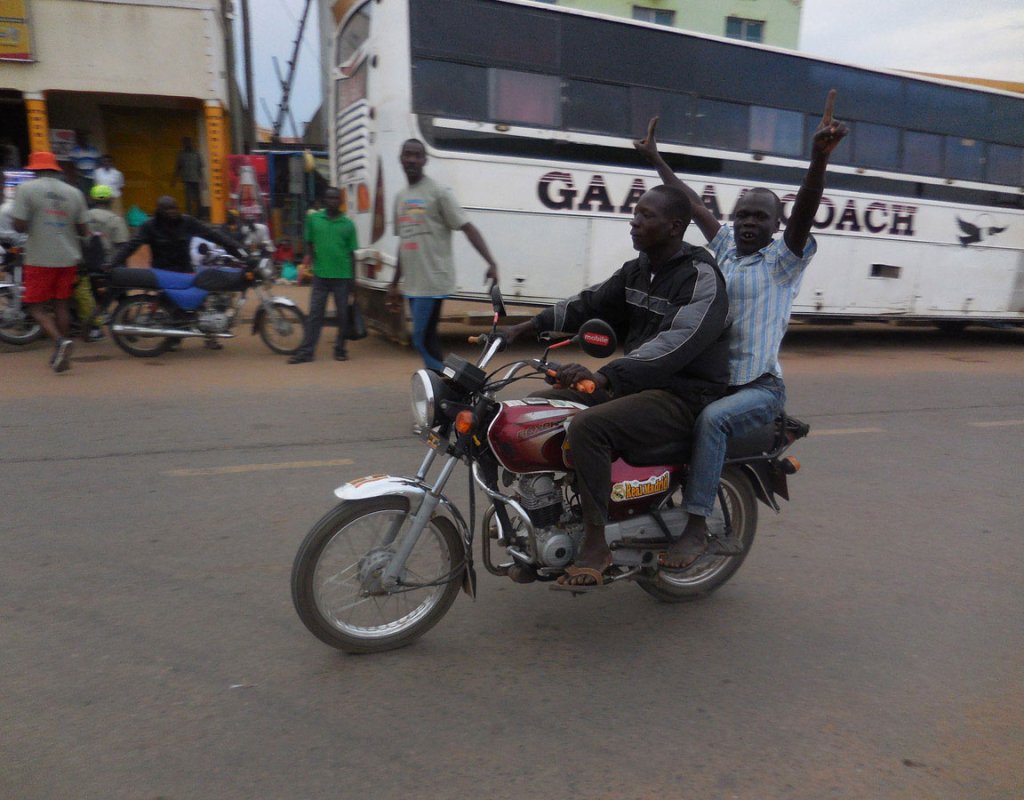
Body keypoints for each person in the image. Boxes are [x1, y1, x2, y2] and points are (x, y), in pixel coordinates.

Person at [634, 90, 848, 568]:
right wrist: (656, 160)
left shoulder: (783, 261)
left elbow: (808, 207)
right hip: (708, 380)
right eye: (743, 214)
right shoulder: (728, 245)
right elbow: (689, 202)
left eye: (760, 217)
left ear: (777, 224)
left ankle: (696, 527)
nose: (749, 222)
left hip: (758, 388)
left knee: (713, 422)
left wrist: (818, 158)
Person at [501, 184, 731, 589]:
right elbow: (588, 303)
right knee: (534, 410)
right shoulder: (638, 269)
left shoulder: (701, 277)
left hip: (682, 395)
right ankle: (544, 522)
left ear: (676, 226)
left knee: (588, 427)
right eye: (635, 213)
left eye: (646, 215)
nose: (634, 221)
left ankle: (596, 544)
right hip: (637, 384)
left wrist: (607, 375)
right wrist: (525, 326)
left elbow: (676, 343)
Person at [386, 139, 499, 371]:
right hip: (412, 284)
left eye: (417, 155)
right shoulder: (400, 198)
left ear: (425, 160)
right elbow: (404, 242)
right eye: (407, 154)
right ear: (400, 158)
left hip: (433, 281)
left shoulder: (437, 193)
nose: (412, 159)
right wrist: (394, 283)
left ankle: (452, 380)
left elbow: (467, 227)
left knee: (420, 339)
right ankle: (440, 383)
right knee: (428, 339)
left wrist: (490, 262)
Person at [10, 151, 90, 372]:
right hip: (68, 257)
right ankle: (62, 355)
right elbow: (84, 230)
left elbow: (18, 225)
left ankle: (59, 342)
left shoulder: (26, 189)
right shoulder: (74, 192)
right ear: (55, 169)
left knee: (35, 306)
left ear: (35, 170)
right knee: (61, 304)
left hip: (40, 257)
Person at [288, 186, 359, 364]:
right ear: (324, 200)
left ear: (340, 202)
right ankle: (306, 352)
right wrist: (311, 260)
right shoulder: (314, 219)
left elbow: (352, 254)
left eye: (336, 198)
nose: (333, 201)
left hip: (342, 277)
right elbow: (309, 242)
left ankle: (340, 348)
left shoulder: (348, 224)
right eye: (329, 198)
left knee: (343, 316)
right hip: (320, 276)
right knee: (314, 315)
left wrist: (353, 280)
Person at [110, 195, 245, 273]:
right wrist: (113, 263)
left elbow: (213, 235)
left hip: (184, 269)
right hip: (162, 272)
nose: (172, 212)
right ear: (159, 211)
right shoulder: (149, 226)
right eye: (167, 209)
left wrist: (237, 248)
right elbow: (131, 246)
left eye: (174, 208)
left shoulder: (187, 221)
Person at [78, 184, 129, 341]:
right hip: (110, 265)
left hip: (88, 265)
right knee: (122, 297)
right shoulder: (115, 220)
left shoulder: (83, 217)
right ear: (110, 200)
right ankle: (126, 327)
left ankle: (94, 329)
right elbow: (122, 246)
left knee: (93, 298)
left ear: (91, 199)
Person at [173, 137, 203, 217]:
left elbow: (200, 168)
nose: (188, 144)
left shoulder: (197, 154)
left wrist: (203, 181)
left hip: (196, 179)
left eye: (189, 142)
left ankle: (199, 215)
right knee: (188, 199)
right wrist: (174, 179)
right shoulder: (181, 154)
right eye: (185, 143)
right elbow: (178, 168)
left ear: (191, 143)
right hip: (186, 180)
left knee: (197, 198)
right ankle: (190, 215)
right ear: (183, 144)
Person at [69, 131, 100, 195]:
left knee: (94, 195)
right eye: (82, 139)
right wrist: (79, 173)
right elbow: (72, 165)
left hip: (93, 177)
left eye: (85, 139)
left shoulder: (93, 150)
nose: (84, 140)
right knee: (83, 195)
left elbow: (98, 162)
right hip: (82, 177)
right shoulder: (74, 151)